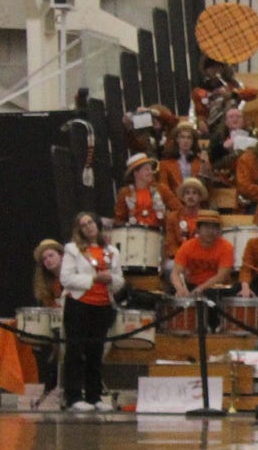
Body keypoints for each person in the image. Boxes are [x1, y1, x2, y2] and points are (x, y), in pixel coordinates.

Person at [59, 212, 123, 411]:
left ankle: (94, 396)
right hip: (79, 304)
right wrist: (93, 280)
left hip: (102, 305)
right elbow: (66, 279)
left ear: (98, 224)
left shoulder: (111, 251)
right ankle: (74, 397)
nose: (88, 226)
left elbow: (120, 279)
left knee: (96, 353)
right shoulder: (73, 250)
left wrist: (110, 280)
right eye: (83, 224)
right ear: (79, 229)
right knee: (75, 351)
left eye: (91, 222)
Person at [169, 209, 236, 317]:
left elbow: (221, 276)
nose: (211, 231)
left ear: (219, 230)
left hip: (215, 288)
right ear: (198, 229)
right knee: (171, 292)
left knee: (213, 294)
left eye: (214, 227)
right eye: (206, 227)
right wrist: (180, 289)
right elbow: (175, 273)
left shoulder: (227, 247)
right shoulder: (187, 246)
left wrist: (201, 289)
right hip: (192, 285)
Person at [30, 238, 65, 392]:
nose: (48, 261)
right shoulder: (47, 283)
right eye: (44, 259)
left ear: (61, 255)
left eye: (51, 255)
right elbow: (49, 306)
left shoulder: (72, 275)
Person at [158, 121, 211, 205]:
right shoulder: (165, 164)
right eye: (182, 137)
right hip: (175, 205)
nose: (185, 141)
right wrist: (177, 206)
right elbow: (164, 189)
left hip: (197, 205)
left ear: (193, 141)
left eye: (189, 138)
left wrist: (205, 164)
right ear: (177, 140)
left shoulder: (200, 161)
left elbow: (207, 188)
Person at [113, 152, 168, 227]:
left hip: (159, 233)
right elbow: (118, 220)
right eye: (146, 169)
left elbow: (177, 210)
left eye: (151, 169)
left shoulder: (161, 189)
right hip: (135, 234)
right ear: (136, 173)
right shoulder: (125, 192)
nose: (151, 172)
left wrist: (166, 216)